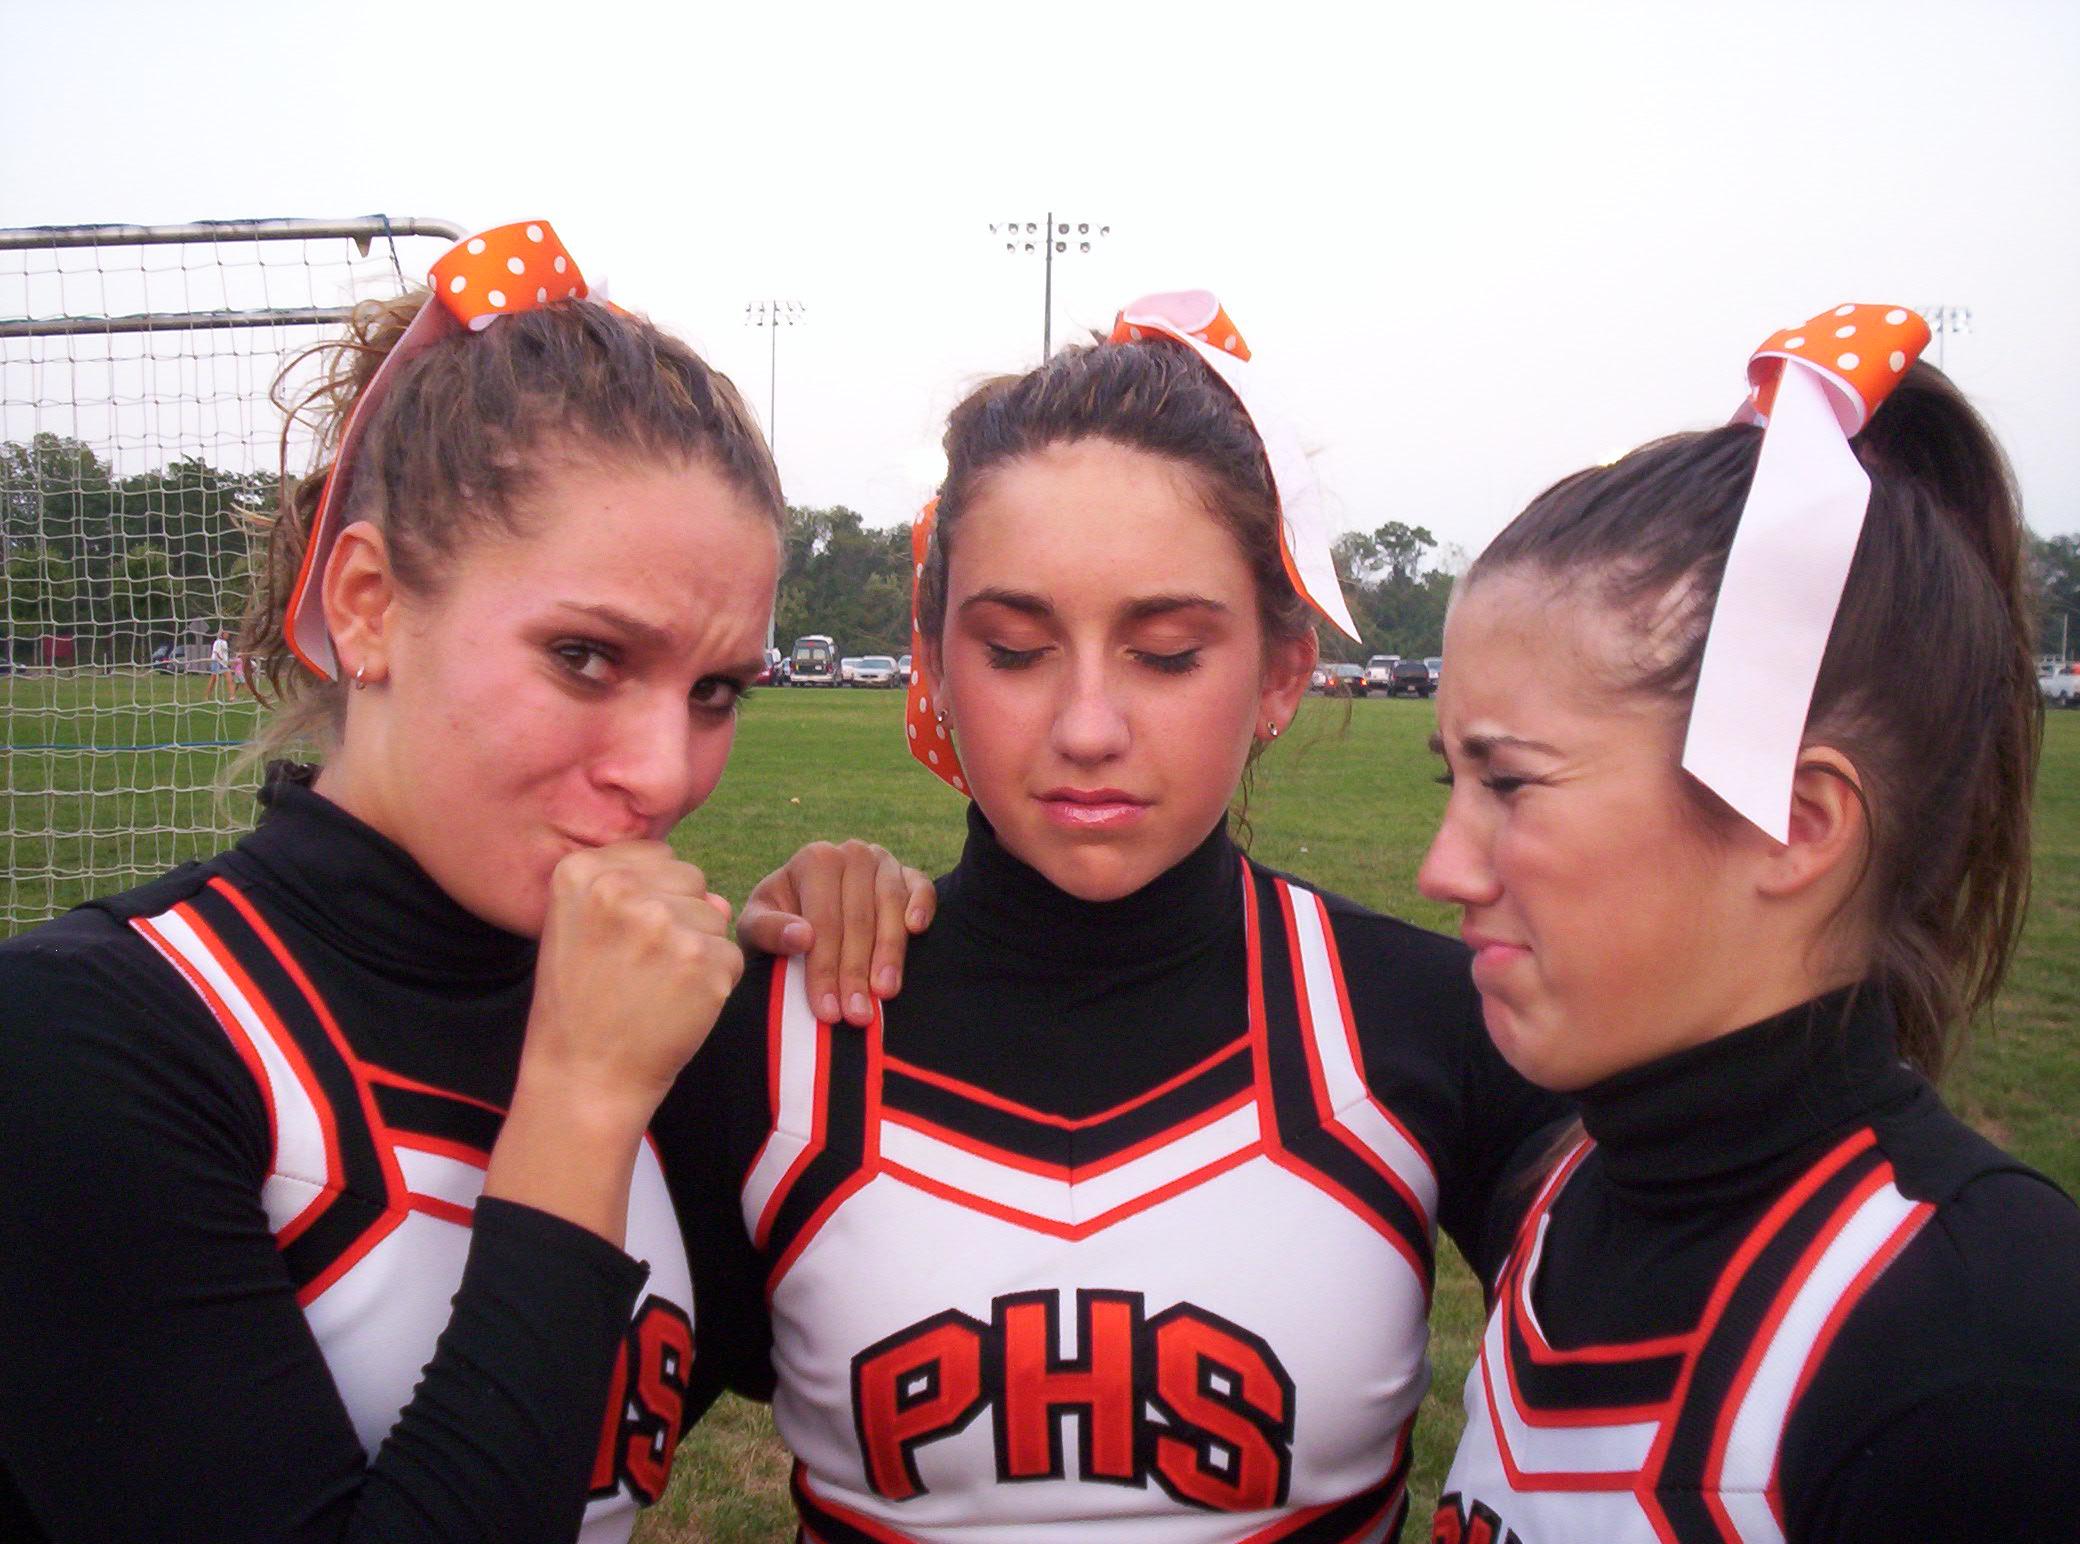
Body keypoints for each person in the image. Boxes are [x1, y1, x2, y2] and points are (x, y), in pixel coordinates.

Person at [0, 220, 924, 1544]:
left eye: (716, 690)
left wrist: (866, 927)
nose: (665, 774)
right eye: (588, 658)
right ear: (370, 603)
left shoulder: (667, 1034)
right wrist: (577, 1104)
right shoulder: (87, 1044)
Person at [657, 292, 1570, 1541]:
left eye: (1167, 651)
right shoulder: (779, 1027)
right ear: (931, 658)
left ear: (1282, 671)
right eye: (1017, 649)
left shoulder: (1435, 1021)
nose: (1088, 727)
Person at [1418, 306, 2080, 1541]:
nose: (1442, 865)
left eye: (1507, 783)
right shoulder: (1559, 1188)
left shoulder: (1985, 1369)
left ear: (1792, 819)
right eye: (1444, 777)